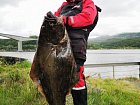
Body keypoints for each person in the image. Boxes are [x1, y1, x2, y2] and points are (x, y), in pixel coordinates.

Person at [53, 0, 101, 105]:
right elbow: (54, 18)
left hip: (76, 48)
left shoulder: (87, 3)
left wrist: (66, 20)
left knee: (76, 78)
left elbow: (88, 18)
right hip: (59, 48)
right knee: (58, 77)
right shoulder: (64, 5)